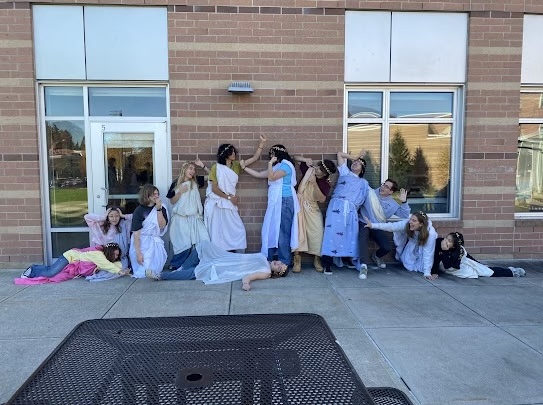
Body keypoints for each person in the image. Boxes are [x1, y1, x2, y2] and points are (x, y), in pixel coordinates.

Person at [204, 135, 266, 252]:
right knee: (218, 233)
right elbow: (214, 189)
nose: (234, 154)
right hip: (219, 203)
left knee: (239, 230)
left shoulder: (237, 165)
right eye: (232, 152)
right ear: (226, 154)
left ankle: (239, 259)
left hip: (230, 203)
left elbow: (254, 158)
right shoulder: (216, 168)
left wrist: (261, 144)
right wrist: (228, 198)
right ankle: (221, 259)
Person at [242, 144, 300, 269]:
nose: (271, 156)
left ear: (277, 154)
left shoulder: (286, 165)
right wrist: (244, 168)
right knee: (271, 229)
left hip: (284, 200)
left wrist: (269, 164)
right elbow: (259, 175)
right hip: (276, 201)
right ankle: (270, 258)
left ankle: (284, 261)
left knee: (283, 232)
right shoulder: (278, 166)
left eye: (272, 154)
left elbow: (272, 177)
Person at [145, 241, 288, 291]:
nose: (279, 264)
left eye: (280, 268)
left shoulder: (266, 272)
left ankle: (162, 276)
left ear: (276, 273)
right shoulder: (265, 258)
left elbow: (248, 276)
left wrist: (246, 284)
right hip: (229, 258)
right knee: (204, 246)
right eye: (281, 263)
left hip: (228, 268)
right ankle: (181, 269)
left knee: (198, 272)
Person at [320, 149, 371, 278]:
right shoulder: (345, 172)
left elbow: (367, 201)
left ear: (362, 169)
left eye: (358, 163)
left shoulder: (364, 183)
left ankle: (348, 258)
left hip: (351, 210)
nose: (355, 163)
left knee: (350, 234)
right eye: (354, 162)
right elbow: (339, 154)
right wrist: (354, 156)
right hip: (336, 206)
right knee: (331, 233)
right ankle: (327, 263)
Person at [291, 156, 337, 272]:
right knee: (298, 231)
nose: (316, 169)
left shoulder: (325, 183)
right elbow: (295, 158)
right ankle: (297, 259)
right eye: (317, 166)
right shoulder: (309, 170)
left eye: (320, 169)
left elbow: (321, 199)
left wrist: (314, 183)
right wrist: (305, 159)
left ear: (325, 174)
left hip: (312, 208)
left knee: (318, 232)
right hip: (299, 205)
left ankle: (317, 258)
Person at [364, 211, 437, 280]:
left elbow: (428, 253)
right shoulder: (407, 224)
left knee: (422, 267)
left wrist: (427, 273)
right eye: (410, 219)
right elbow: (391, 226)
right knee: (407, 261)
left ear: (421, 224)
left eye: (414, 221)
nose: (410, 222)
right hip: (413, 246)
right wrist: (372, 225)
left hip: (425, 249)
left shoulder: (430, 234)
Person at [166, 159, 210, 269]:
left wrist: (202, 165)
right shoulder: (176, 183)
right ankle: (176, 265)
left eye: (194, 169)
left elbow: (213, 176)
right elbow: (172, 201)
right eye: (190, 168)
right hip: (181, 218)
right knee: (183, 244)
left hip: (195, 218)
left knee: (203, 240)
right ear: (184, 169)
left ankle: (196, 264)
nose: (193, 171)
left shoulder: (196, 182)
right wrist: (180, 192)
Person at [15, 243, 129, 285]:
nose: (116, 257)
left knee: (54, 274)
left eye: (117, 255)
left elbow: (115, 264)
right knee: (51, 272)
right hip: (69, 257)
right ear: (108, 252)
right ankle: (33, 268)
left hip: (73, 264)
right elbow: (107, 265)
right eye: (114, 254)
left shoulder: (104, 257)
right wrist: (120, 271)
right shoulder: (98, 254)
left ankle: (36, 269)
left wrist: (122, 267)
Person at [358, 179, 410, 270]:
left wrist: (404, 202)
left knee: (386, 247)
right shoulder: (370, 194)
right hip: (364, 222)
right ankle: (363, 265)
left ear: (391, 191)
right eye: (383, 184)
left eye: (387, 187)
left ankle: (376, 256)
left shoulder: (393, 204)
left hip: (377, 226)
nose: (383, 187)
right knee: (363, 240)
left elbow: (404, 215)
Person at [432, 232, 526, 278]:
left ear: (454, 246)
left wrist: (444, 251)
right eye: (446, 238)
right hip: (450, 265)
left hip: (458, 265)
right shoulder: (439, 242)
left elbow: (450, 266)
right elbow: (436, 258)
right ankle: (509, 271)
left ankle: (511, 272)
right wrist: (434, 272)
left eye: (449, 241)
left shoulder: (459, 251)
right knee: (482, 267)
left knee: (485, 271)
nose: (446, 241)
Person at [129, 184, 169, 278]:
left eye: (157, 194)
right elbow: (136, 233)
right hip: (142, 242)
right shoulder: (139, 211)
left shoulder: (161, 207)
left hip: (154, 241)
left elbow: (162, 225)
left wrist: (159, 209)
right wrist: (138, 253)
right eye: (154, 194)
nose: (157, 196)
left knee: (155, 269)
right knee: (143, 271)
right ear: (147, 195)